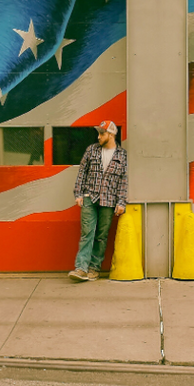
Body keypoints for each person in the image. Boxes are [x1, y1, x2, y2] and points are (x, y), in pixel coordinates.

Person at [68, 121, 128, 282]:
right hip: (90, 197)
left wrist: (121, 202)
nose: (98, 136)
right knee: (87, 233)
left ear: (111, 134)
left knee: (101, 236)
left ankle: (94, 268)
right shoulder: (92, 150)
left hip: (109, 201)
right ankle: (81, 268)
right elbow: (82, 172)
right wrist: (79, 193)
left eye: (102, 133)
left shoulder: (122, 155)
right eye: (99, 133)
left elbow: (123, 180)